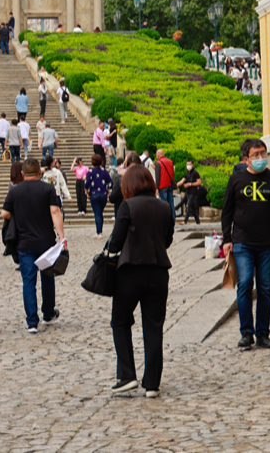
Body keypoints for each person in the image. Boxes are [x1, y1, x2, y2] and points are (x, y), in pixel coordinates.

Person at [107, 164, 174, 396]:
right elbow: (167, 240)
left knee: (120, 322)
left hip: (130, 271)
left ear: (129, 186)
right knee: (153, 327)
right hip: (158, 271)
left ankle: (127, 375)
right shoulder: (165, 206)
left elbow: (115, 243)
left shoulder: (127, 206)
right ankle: (152, 384)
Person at [221, 138, 270, 351]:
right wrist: (227, 239)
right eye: (256, 155)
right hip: (242, 242)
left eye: (263, 153)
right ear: (246, 159)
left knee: (265, 288)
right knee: (244, 284)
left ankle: (263, 333)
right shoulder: (236, 179)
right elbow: (227, 211)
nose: (261, 158)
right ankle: (246, 333)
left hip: (267, 243)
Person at [1, 158, 66, 334]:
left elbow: (4, 213)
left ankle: (31, 322)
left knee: (28, 281)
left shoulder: (15, 191)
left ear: (22, 173)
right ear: (40, 172)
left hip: (24, 243)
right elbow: (55, 211)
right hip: (46, 242)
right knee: (47, 278)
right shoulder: (47, 188)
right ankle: (48, 313)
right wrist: (62, 237)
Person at [181, 160, 205, 225]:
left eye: (190, 164)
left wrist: (190, 184)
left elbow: (199, 182)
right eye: (187, 164)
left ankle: (185, 221)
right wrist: (174, 186)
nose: (188, 166)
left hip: (194, 192)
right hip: (188, 192)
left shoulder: (195, 173)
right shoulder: (187, 174)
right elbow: (182, 181)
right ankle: (198, 221)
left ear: (192, 165)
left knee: (188, 206)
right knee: (193, 207)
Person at [155, 149, 176, 223]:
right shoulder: (170, 161)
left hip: (162, 185)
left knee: (164, 203)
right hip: (170, 184)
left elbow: (157, 176)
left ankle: (166, 220)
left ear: (158, 155)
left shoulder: (158, 163)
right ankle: (173, 218)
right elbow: (172, 173)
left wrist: (156, 188)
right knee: (171, 202)